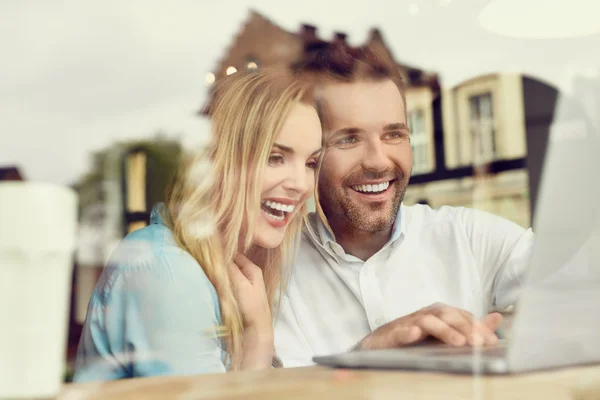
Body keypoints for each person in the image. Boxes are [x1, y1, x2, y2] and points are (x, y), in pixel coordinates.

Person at [274, 44, 536, 367]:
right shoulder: (274, 272)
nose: (378, 161)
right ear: (311, 154)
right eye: (348, 139)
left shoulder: (467, 237)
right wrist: (364, 356)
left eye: (393, 135)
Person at [73, 68, 323, 381]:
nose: (301, 184)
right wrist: (257, 339)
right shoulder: (167, 269)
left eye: (311, 163)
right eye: (274, 158)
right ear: (218, 162)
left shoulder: (223, 263)